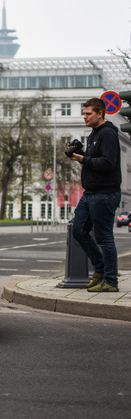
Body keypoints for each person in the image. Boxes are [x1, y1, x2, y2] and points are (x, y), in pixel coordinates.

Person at [68, 97, 121, 292]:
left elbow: (108, 163)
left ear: (100, 113)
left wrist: (84, 158)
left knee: (104, 237)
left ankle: (111, 281)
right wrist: (82, 156)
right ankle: (100, 270)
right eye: (84, 113)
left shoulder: (107, 134)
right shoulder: (93, 134)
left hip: (105, 193)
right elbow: (94, 159)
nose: (85, 117)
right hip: (90, 192)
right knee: (79, 230)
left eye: (88, 113)